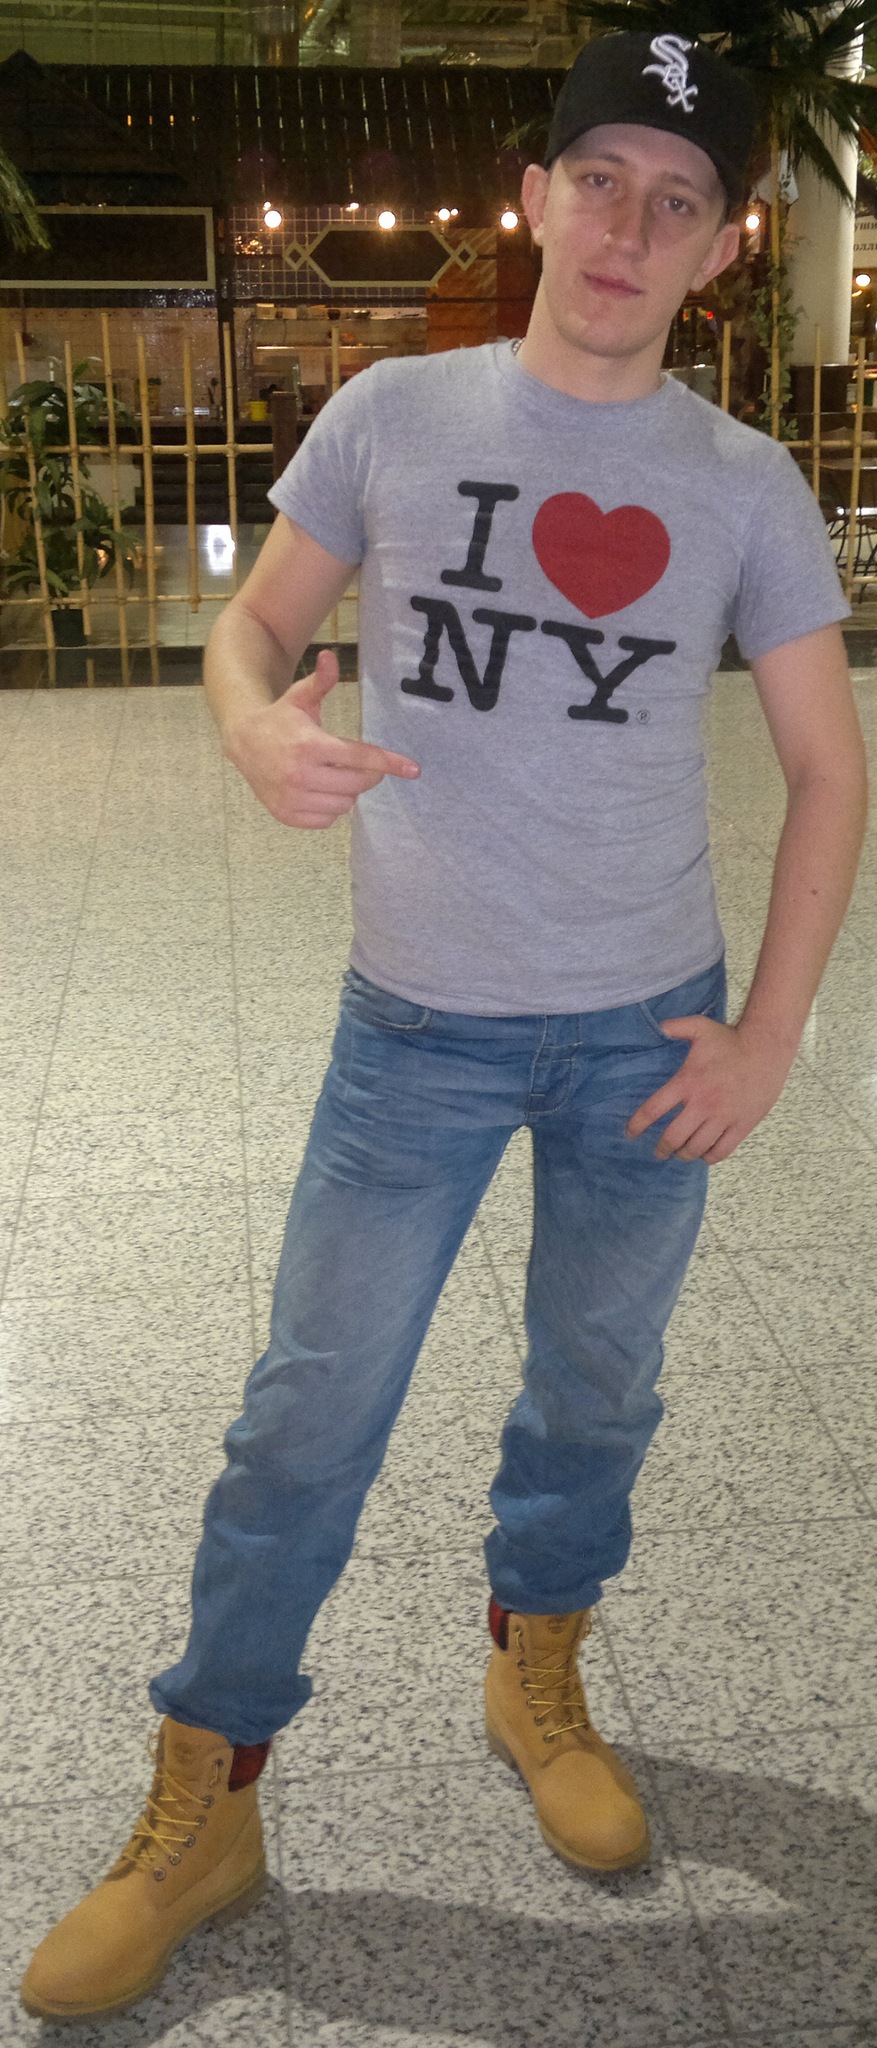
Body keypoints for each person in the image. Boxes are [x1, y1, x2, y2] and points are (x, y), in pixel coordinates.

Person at [22, 30, 867, 2022]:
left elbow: (830, 769)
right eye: (601, 181)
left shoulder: (738, 485)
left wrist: (766, 1035)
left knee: (595, 1390)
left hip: (644, 1034)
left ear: (722, 248)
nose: (628, 228)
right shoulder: (395, 416)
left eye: (676, 201)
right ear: (536, 198)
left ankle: (533, 1664)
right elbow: (252, 625)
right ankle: (209, 1791)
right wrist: (252, 726)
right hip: (415, 1031)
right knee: (305, 1416)